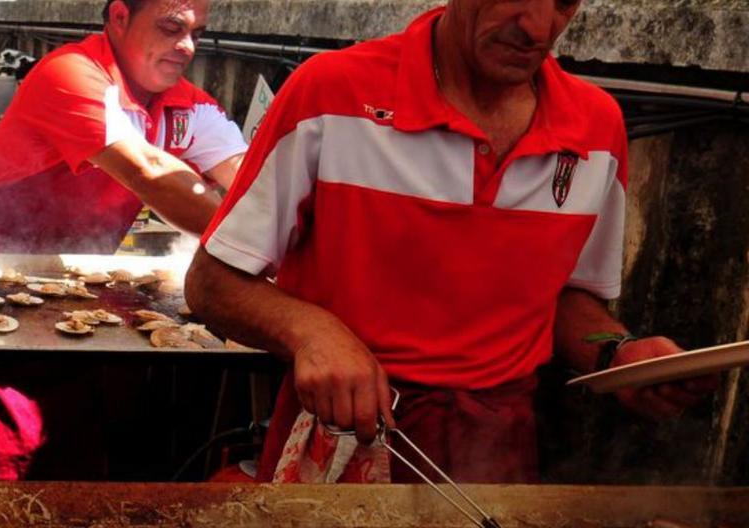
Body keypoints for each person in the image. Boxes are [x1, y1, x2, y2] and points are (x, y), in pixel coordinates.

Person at [185, 0, 718, 484]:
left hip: (496, 458)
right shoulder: (333, 92)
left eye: (562, 3)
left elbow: (564, 299)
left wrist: (617, 356)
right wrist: (312, 332)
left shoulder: (596, 129)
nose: (538, 28)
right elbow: (212, 283)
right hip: (343, 438)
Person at [0, 0, 247, 481]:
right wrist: (249, 249)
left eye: (197, 32)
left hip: (77, 289)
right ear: (120, 17)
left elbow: (249, 186)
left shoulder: (190, 105)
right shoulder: (71, 73)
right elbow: (150, 172)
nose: (187, 45)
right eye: (172, 27)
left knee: (64, 449)